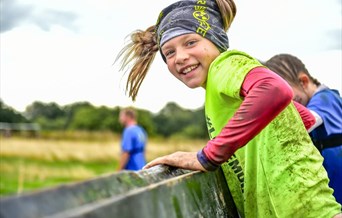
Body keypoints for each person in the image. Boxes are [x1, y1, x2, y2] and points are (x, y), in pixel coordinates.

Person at [116, 0, 341, 217]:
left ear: (216, 40)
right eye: (169, 52)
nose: (180, 57)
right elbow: (303, 118)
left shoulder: (225, 65)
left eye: (190, 42)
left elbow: (275, 89)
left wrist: (208, 156)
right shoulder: (218, 89)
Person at [265, 53, 342, 204]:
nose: (284, 106)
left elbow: (309, 119)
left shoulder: (326, 99)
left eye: (286, 96)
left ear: (303, 82)